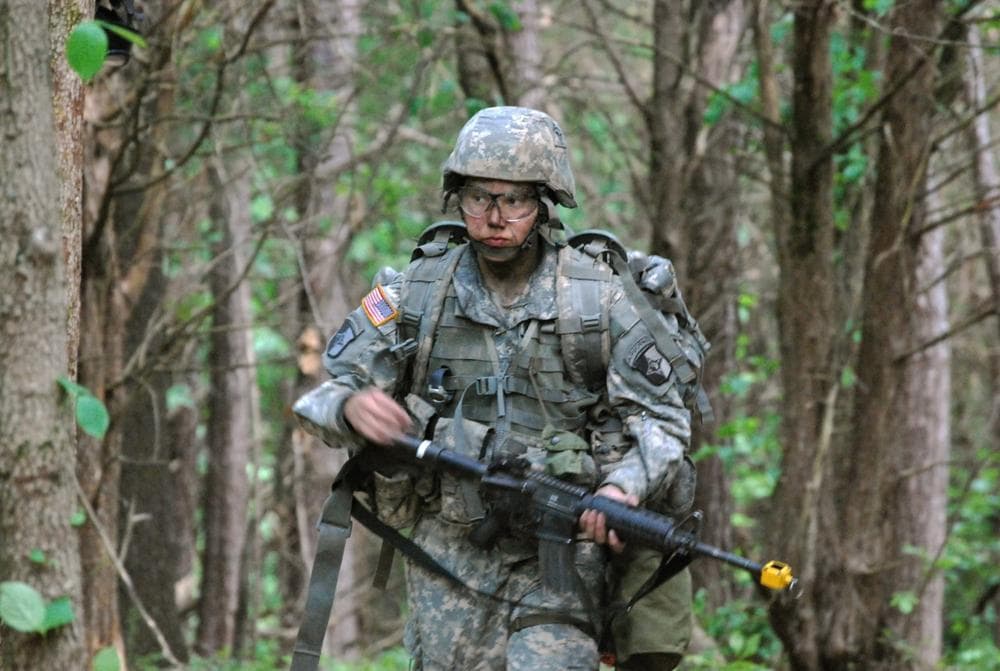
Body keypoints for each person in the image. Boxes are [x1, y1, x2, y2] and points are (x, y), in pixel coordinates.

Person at [294, 106, 693, 671]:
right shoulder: (415, 294)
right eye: (479, 197)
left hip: (558, 549)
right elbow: (318, 400)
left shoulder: (597, 299)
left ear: (544, 203)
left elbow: (663, 421)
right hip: (445, 551)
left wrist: (622, 489)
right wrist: (352, 406)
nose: (495, 217)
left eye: (515, 200)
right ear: (457, 197)